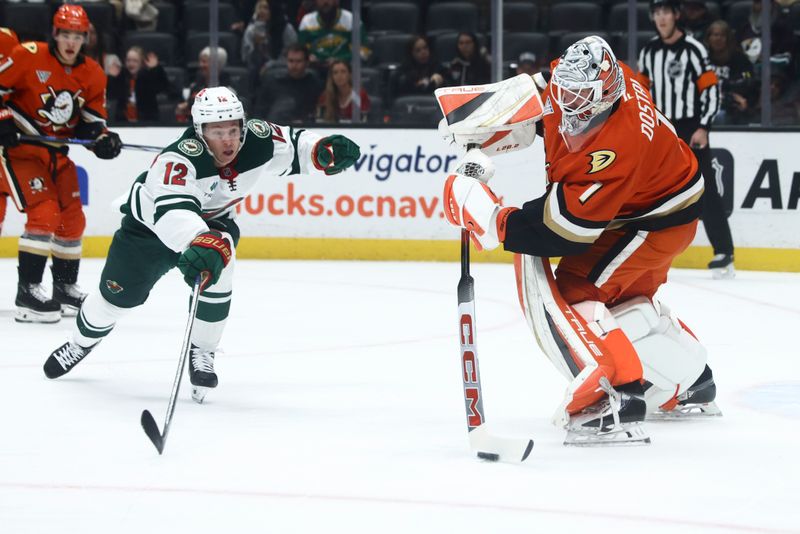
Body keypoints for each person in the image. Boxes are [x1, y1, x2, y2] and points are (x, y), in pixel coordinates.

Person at [442, 35, 720, 445]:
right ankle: (687, 380)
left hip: (654, 223)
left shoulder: (615, 147)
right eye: (565, 95)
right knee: (616, 302)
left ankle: (615, 395)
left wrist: (492, 218)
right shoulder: (601, 74)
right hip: (649, 209)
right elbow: (543, 89)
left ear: (607, 98)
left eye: (580, 103)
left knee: (572, 296)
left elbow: (566, 230)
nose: (568, 110)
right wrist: (482, 116)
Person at [42, 86, 361, 402]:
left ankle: (203, 351)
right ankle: (80, 343)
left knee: (223, 258)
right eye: (217, 131)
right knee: (113, 301)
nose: (228, 139)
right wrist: (199, 239)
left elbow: (293, 145)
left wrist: (322, 150)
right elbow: (173, 212)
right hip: (148, 231)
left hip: (213, 223)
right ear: (199, 131)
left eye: (233, 129)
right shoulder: (178, 160)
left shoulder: (258, 137)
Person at [0, 4, 122, 323]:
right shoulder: (29, 54)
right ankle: (27, 292)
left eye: (77, 36)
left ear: (86, 38)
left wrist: (103, 139)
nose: (71, 42)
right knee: (44, 213)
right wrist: (2, 120)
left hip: (56, 154)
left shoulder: (93, 73)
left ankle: (64, 287)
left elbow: (91, 121)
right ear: (55, 34)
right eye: (65, 34)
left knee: (72, 219)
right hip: (20, 151)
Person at [639, 0, 735, 278]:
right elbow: (642, 94)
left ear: (676, 15)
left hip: (691, 128)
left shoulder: (694, 49)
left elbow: (711, 91)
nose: (661, 18)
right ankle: (647, 251)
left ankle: (724, 252)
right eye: (656, 13)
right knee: (651, 190)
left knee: (705, 189)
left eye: (665, 12)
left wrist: (704, 127)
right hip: (662, 129)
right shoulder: (649, 52)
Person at [705, 20, 757, 125]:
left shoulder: (740, 59)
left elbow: (746, 83)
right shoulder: (701, 59)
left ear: (728, 39)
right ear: (708, 38)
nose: (718, 39)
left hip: (731, 108)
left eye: (722, 36)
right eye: (715, 35)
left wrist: (731, 95)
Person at [255, 44, 321, 122]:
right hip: (276, 126)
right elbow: (260, 110)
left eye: (298, 61)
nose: (294, 65)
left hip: (305, 127)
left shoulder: (314, 83)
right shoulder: (273, 82)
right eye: (291, 61)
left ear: (307, 63)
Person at [298, 0, 369, 71]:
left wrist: (341, 59)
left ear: (337, 1)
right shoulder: (306, 21)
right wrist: (308, 57)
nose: (325, 2)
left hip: (346, 70)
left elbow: (364, 52)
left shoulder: (352, 20)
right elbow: (300, 52)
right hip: (315, 71)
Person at [108, 46, 173, 123]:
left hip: (146, 122)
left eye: (135, 61)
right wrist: (112, 78)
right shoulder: (121, 77)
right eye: (128, 60)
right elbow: (110, 96)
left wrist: (156, 69)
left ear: (142, 63)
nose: (131, 64)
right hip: (123, 123)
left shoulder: (148, 77)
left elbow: (163, 87)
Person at [176, 47, 232, 123]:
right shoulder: (196, 85)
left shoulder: (228, 88)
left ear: (216, 65)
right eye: (200, 61)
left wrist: (188, 105)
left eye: (204, 62)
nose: (201, 65)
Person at [241, 0, 298, 74]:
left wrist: (271, 65)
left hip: (282, 67)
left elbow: (292, 55)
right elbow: (245, 57)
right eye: (259, 7)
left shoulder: (286, 29)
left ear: (274, 10)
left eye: (265, 8)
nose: (261, 11)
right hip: (257, 68)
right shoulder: (252, 29)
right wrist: (257, 46)